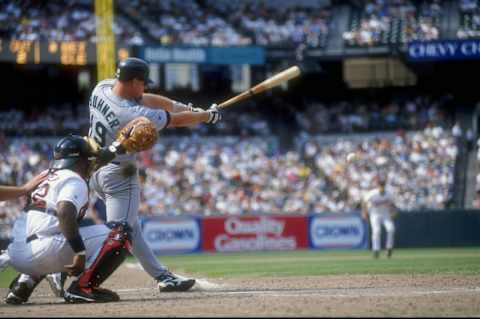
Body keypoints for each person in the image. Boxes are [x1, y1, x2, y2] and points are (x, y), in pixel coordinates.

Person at [87, 57, 221, 292]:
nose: (145, 87)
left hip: (94, 167)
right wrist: (206, 116)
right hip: (119, 176)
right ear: (132, 81)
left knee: (131, 227)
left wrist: (185, 107)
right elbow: (176, 122)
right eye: (142, 82)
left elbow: (148, 99)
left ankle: (163, 276)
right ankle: (79, 277)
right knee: (120, 235)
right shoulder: (131, 114)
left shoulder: (102, 87)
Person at [3, 135, 132, 304]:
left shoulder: (47, 175)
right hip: (43, 250)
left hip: (17, 252)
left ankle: (24, 283)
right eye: (89, 158)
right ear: (80, 161)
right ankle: (83, 288)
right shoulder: (74, 178)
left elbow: (96, 160)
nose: (92, 162)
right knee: (121, 231)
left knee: (56, 230)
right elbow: (65, 212)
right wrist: (80, 252)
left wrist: (118, 146)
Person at [362, 176, 397, 259]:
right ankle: (376, 250)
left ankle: (389, 249)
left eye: (383, 184)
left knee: (391, 229)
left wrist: (394, 212)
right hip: (375, 214)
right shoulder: (373, 193)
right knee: (376, 231)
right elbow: (364, 201)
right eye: (380, 184)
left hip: (385, 214)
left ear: (385, 185)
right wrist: (364, 212)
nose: (381, 186)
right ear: (378, 185)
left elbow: (393, 204)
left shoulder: (389, 193)